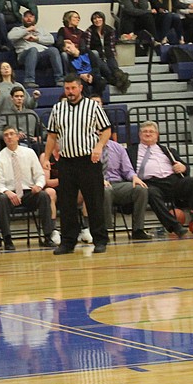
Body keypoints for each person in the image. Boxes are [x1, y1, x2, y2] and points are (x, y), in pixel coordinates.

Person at [41, 75, 112, 254]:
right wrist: (46, 158)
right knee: (67, 203)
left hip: (89, 160)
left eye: (73, 88)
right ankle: (68, 242)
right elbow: (51, 136)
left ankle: (100, 239)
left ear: (80, 88)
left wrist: (98, 146)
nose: (70, 92)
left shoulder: (93, 106)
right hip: (66, 161)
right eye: (67, 89)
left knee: (94, 201)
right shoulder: (58, 108)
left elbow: (106, 130)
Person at [127, 121, 193, 237]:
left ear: (157, 135)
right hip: (150, 183)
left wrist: (183, 167)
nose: (148, 134)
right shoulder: (130, 152)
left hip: (172, 181)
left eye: (151, 132)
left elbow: (185, 167)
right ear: (139, 135)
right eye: (145, 132)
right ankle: (175, 227)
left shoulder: (168, 150)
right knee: (151, 192)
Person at [0, 126, 53, 250]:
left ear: (17, 136)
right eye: (6, 135)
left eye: (12, 134)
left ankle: (48, 236)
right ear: (4, 138)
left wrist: (38, 186)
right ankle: (7, 239)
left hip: (28, 192)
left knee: (44, 196)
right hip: (10, 194)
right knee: (1, 199)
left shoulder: (29, 153)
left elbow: (40, 175)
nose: (9, 137)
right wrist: (7, 192)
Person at [101, 138, 151, 241]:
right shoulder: (87, 148)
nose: (100, 132)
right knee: (106, 191)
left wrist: (134, 177)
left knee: (140, 189)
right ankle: (104, 231)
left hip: (117, 184)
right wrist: (98, 180)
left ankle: (138, 229)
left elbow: (127, 170)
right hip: (96, 184)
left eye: (102, 130)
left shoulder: (118, 147)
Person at [9, 11, 65, 89]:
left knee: (53, 50)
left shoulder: (41, 30)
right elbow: (10, 37)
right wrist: (27, 30)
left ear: (34, 19)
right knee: (33, 50)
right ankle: (29, 81)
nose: (29, 18)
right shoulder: (17, 29)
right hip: (24, 56)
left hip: (42, 56)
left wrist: (37, 39)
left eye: (31, 16)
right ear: (23, 19)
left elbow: (51, 40)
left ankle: (60, 80)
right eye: (26, 17)